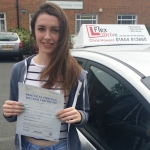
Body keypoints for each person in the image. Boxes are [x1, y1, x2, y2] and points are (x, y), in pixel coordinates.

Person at [2, 2, 90, 150]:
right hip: (27, 145)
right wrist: (8, 112)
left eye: (55, 30)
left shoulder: (77, 73)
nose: (47, 36)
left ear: (62, 33)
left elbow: (85, 113)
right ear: (34, 31)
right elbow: (12, 114)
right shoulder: (19, 69)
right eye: (41, 29)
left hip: (62, 146)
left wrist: (79, 116)